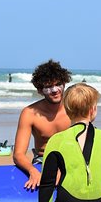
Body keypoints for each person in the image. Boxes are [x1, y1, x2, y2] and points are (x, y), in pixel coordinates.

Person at [13, 59, 72, 190]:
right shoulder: (29, 113)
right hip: (42, 161)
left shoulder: (74, 109)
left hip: (73, 160)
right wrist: (32, 171)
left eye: (58, 84)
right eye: (48, 87)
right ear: (40, 90)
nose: (55, 90)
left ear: (64, 83)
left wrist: (65, 168)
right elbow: (18, 154)